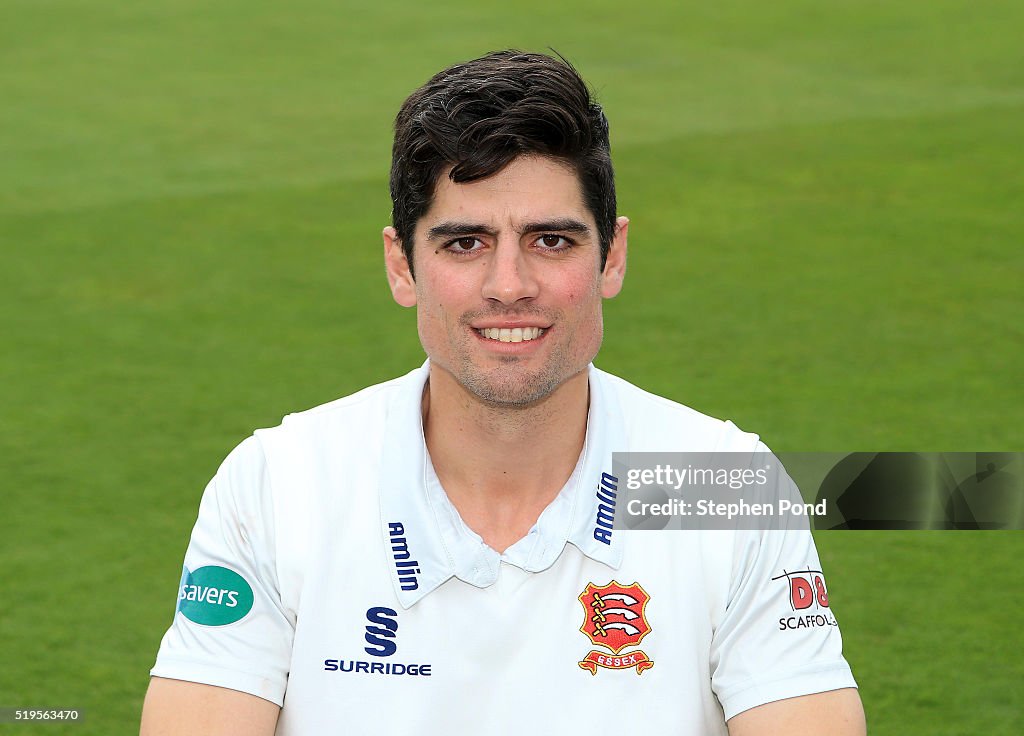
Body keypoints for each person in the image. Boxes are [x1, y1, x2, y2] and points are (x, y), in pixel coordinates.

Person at [141, 50, 866, 735]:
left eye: (552, 240)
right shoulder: (278, 484)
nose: (510, 285)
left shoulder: (726, 487)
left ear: (613, 256)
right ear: (402, 265)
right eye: (465, 243)